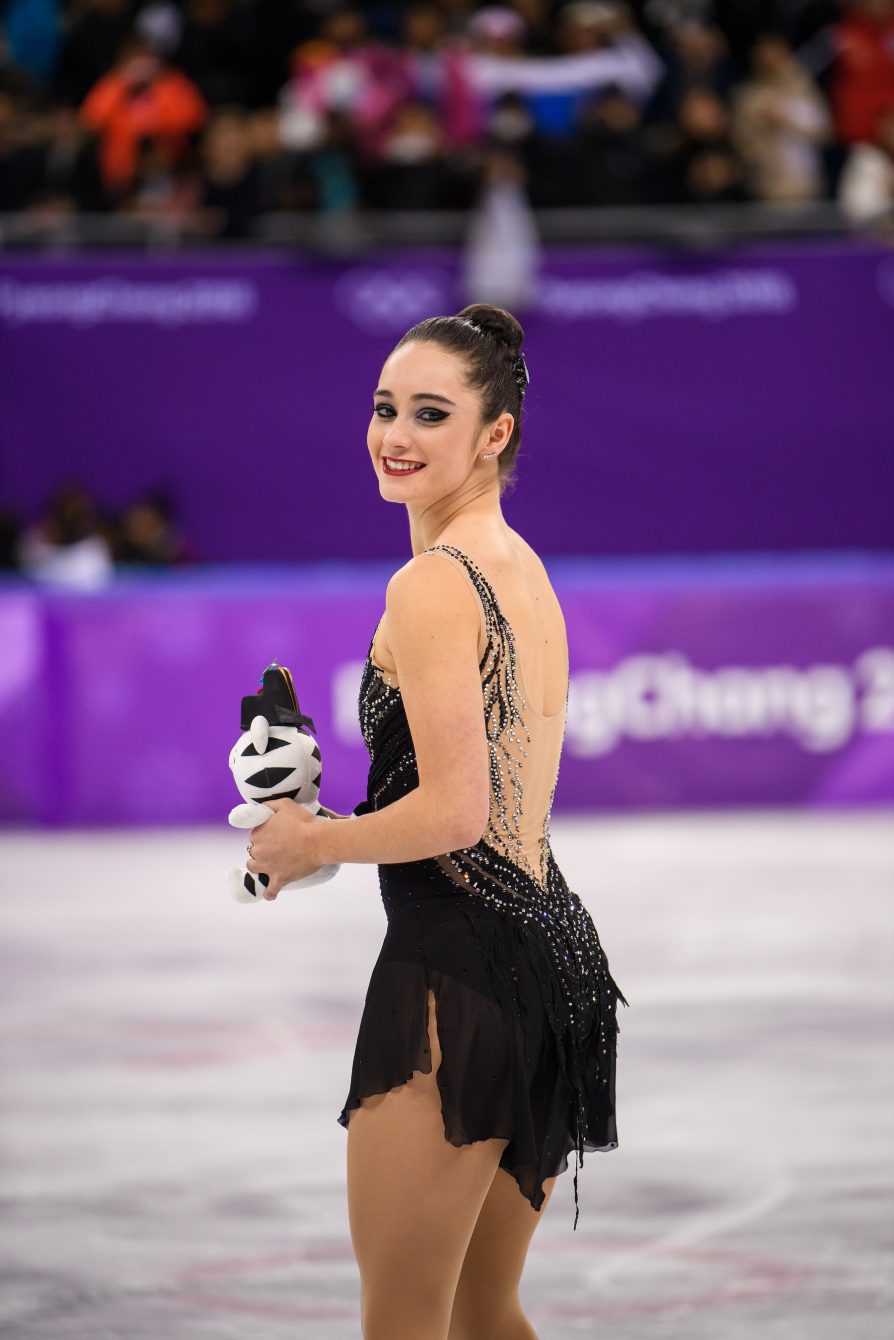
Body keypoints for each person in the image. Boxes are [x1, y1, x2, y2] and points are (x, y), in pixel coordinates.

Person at [243, 303, 626, 1340]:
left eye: (429, 413)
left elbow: (456, 813)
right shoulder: (521, 567)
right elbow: (483, 797)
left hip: (456, 975)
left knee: (407, 1325)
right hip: (553, 961)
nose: (395, 435)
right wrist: (342, 818)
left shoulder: (431, 583)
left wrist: (307, 840)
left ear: (493, 433)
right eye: (383, 408)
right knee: (481, 1314)